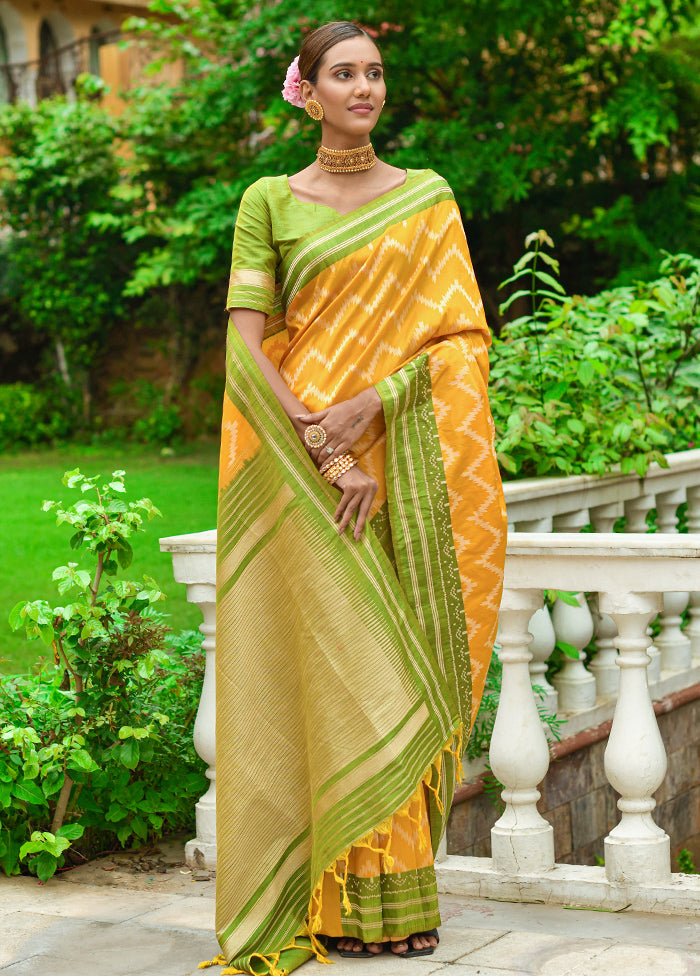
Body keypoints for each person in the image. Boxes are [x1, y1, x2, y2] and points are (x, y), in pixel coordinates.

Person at [214, 20, 507, 976]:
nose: (366, 88)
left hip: (411, 466)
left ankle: (399, 901)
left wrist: (374, 406)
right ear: (308, 88)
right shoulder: (269, 201)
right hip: (310, 477)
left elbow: (460, 341)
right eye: (345, 73)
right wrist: (331, 451)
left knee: (407, 669)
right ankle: (328, 903)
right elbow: (247, 347)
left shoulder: (427, 200)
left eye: (376, 72)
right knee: (337, 675)